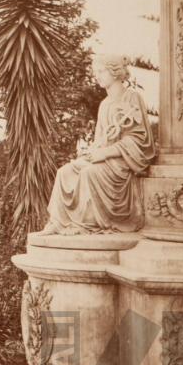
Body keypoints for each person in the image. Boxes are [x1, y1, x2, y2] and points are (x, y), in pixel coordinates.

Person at [41, 55, 156, 235]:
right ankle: (58, 222)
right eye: (96, 72)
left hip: (122, 161)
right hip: (105, 157)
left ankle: (84, 225)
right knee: (64, 172)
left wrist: (107, 153)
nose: (97, 76)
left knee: (89, 173)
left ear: (115, 72)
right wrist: (93, 151)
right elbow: (100, 139)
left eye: (101, 71)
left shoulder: (132, 98)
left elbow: (140, 141)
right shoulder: (104, 104)